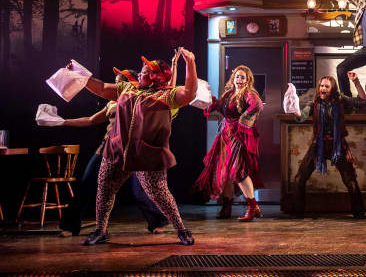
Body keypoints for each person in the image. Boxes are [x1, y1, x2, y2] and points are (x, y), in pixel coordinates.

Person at [77, 47, 198, 246]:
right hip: (117, 150)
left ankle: (181, 229)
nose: (142, 72)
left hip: (147, 154)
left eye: (148, 71)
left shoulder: (167, 95)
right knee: (104, 188)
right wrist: (79, 75)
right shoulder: (127, 89)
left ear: (159, 77)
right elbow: (100, 88)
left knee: (159, 193)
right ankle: (100, 230)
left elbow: (189, 92)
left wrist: (190, 64)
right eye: (142, 69)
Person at [55, 69, 168, 237]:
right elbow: (91, 120)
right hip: (107, 148)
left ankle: (157, 221)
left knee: (141, 189)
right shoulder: (111, 103)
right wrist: (63, 122)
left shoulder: (138, 98)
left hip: (133, 149)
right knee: (87, 182)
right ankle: (71, 225)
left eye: (118, 83)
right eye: (115, 83)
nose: (115, 86)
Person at [290, 72, 366, 218]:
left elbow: (363, 101)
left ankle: (359, 213)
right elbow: (302, 117)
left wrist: (356, 82)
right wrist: (296, 111)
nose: (322, 88)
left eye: (326, 86)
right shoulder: (314, 103)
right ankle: (297, 212)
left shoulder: (340, 100)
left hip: (337, 145)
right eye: (321, 86)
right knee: (299, 179)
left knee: (350, 180)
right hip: (318, 145)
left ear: (332, 89)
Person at [193, 65, 264, 221]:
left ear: (248, 80)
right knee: (224, 171)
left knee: (237, 171)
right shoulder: (229, 94)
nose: (239, 80)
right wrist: (205, 99)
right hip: (225, 136)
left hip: (239, 136)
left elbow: (257, 105)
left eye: (242, 77)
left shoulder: (249, 93)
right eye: (237, 76)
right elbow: (217, 106)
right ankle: (227, 206)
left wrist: (243, 121)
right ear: (233, 78)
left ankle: (253, 206)